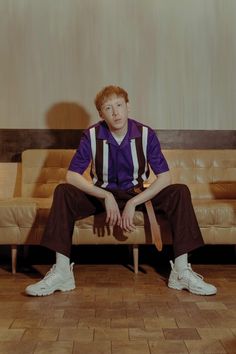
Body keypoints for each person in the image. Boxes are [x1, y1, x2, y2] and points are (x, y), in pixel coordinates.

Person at [25, 85, 217, 297]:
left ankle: (181, 272)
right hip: (101, 195)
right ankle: (62, 272)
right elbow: (71, 175)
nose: (115, 112)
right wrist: (105, 195)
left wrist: (134, 202)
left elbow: (165, 178)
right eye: (109, 108)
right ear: (101, 114)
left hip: (137, 193)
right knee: (63, 191)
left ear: (128, 107)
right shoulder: (91, 135)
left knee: (180, 191)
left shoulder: (145, 134)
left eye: (119, 105)